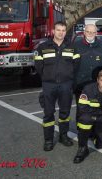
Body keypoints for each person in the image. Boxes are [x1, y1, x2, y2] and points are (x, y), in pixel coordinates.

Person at [34, 21, 80, 151]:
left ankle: (63, 136)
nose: (61, 32)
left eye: (63, 30)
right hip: (49, 85)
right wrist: (47, 77)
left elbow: (76, 65)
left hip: (66, 84)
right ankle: (48, 140)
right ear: (54, 31)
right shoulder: (43, 47)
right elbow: (38, 66)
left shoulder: (71, 47)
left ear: (66, 32)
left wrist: (68, 77)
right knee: (48, 113)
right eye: (58, 30)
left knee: (65, 112)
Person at [73, 68, 102, 163]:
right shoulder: (88, 89)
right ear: (98, 80)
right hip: (89, 118)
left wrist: (98, 116)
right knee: (84, 120)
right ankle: (82, 148)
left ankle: (93, 134)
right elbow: (82, 108)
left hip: (101, 120)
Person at [73, 24, 102, 114]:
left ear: (96, 33)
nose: (90, 33)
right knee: (81, 110)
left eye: (93, 32)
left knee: (97, 110)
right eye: (88, 31)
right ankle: (81, 128)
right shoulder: (75, 46)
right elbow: (71, 65)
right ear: (84, 32)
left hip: (97, 85)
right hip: (81, 85)